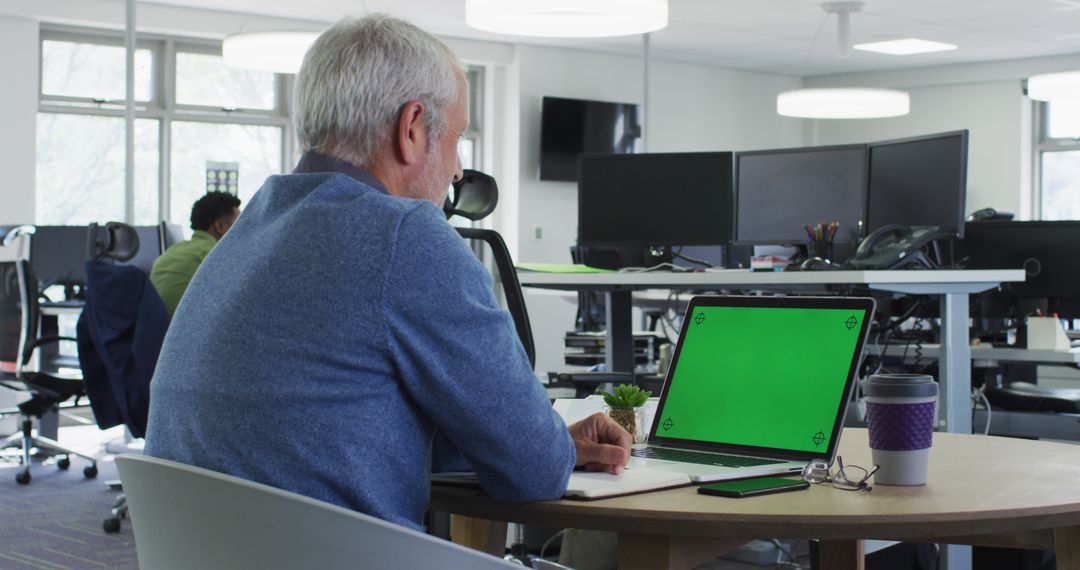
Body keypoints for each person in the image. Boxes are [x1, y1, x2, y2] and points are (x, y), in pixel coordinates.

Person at [144, 14, 630, 532]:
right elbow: (533, 471)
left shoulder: (253, 228)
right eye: (457, 137)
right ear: (412, 127)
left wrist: (548, 441)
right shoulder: (406, 235)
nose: (459, 169)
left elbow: (328, 423)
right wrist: (547, 446)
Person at [149, 191, 241, 316]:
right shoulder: (214, 254)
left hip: (156, 330)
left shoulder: (174, 250)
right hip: (184, 332)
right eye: (239, 224)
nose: (242, 230)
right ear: (220, 226)